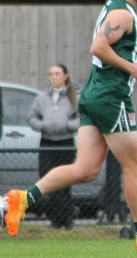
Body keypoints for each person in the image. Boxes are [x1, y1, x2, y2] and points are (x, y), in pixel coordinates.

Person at [4, 0, 137, 251]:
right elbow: (98, 47)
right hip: (111, 98)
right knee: (135, 165)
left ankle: (22, 199)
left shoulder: (116, 10)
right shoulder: (122, 14)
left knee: (85, 169)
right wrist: (132, 69)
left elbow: (106, 51)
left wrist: (133, 63)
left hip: (93, 96)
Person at [27, 63, 79, 230]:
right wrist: (43, 126)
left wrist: (68, 126)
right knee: (47, 179)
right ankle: (56, 219)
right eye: (51, 74)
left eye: (57, 73)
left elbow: (82, 117)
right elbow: (31, 117)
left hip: (65, 143)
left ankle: (67, 219)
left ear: (65, 76)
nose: (53, 77)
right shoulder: (42, 98)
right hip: (47, 142)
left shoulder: (74, 97)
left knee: (65, 181)